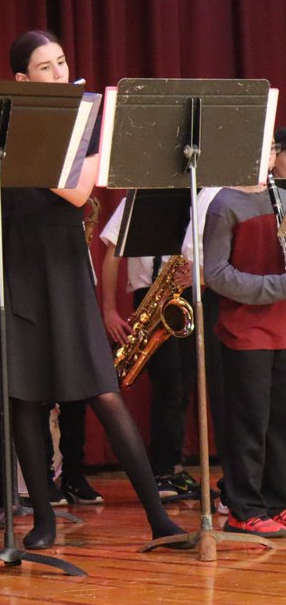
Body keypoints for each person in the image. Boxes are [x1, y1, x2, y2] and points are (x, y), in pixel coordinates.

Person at [0, 30, 186, 550]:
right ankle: (43, 520)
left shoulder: (85, 121)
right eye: (46, 67)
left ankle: (160, 518)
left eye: (62, 63)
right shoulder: (0, 122)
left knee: (102, 391)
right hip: (11, 262)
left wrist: (21, 144)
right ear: (22, 80)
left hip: (62, 265)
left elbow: (78, 190)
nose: (60, 73)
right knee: (23, 399)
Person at [202, 155, 286, 536]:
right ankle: (244, 508)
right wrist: (275, 288)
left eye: (271, 147)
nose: (266, 155)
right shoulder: (224, 203)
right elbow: (216, 274)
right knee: (249, 422)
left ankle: (277, 502)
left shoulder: (281, 196)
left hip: (283, 326)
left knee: (279, 424)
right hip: (245, 329)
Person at [99, 195, 201, 500]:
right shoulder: (139, 197)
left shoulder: (200, 195)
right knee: (169, 387)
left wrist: (195, 275)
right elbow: (112, 253)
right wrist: (108, 310)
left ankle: (174, 466)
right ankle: (162, 470)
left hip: (185, 294)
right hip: (152, 296)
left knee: (183, 387)